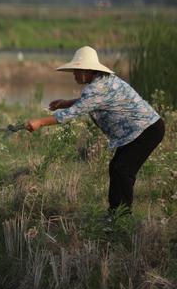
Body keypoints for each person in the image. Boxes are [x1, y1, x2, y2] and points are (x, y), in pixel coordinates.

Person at [25, 46, 164, 214]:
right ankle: (115, 213)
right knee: (116, 168)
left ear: (87, 71)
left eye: (77, 71)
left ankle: (122, 217)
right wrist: (66, 102)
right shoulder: (103, 81)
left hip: (146, 131)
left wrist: (40, 122)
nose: (74, 74)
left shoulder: (96, 88)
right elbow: (92, 101)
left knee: (123, 169)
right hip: (140, 130)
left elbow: (71, 114)